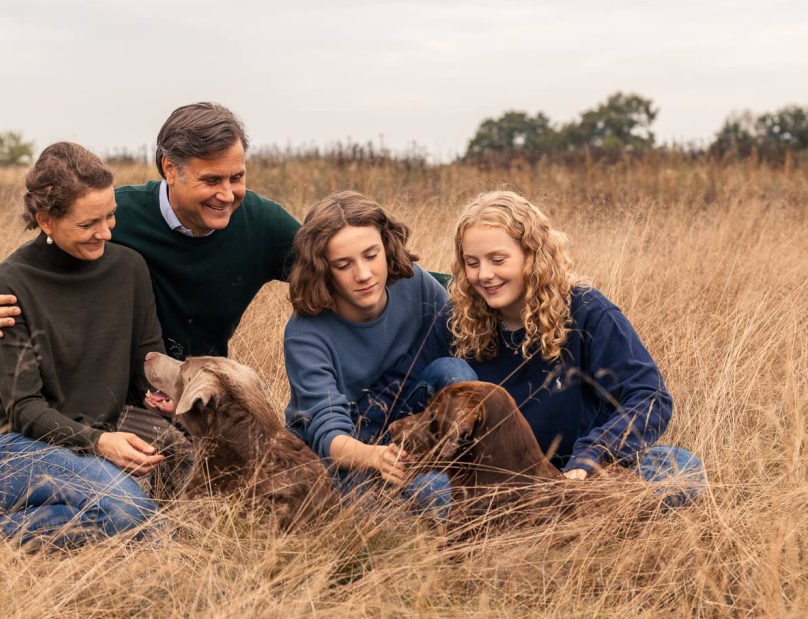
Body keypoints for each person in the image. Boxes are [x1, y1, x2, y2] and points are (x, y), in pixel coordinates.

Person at [0, 102, 300, 361]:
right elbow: (33, 267)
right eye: (211, 180)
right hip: (117, 395)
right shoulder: (113, 218)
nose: (226, 195)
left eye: (236, 178)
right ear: (170, 169)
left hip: (203, 395)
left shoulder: (262, 222)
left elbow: (325, 269)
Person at [446, 190, 704, 502]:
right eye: (472, 263)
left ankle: (567, 512)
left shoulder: (588, 311)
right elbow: (417, 384)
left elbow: (650, 398)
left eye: (497, 260)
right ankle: (531, 517)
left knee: (680, 468)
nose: (484, 275)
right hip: (494, 485)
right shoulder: (458, 320)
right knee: (433, 490)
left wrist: (593, 454)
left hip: (577, 478)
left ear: (532, 255)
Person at [0, 142, 166, 546]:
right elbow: (24, 409)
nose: (106, 232)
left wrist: (166, 399)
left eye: (110, 216)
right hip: (13, 451)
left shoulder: (129, 269)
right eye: (88, 223)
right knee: (130, 512)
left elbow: (148, 365)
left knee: (150, 518)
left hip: (90, 453)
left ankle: (21, 521)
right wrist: (99, 442)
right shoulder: (6, 287)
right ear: (46, 220)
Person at [283, 191, 477, 514]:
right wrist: (375, 457)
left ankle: (475, 467)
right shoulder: (305, 335)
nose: (363, 274)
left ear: (386, 247)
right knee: (438, 494)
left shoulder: (415, 284)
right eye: (343, 265)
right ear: (322, 269)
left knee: (453, 371)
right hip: (344, 455)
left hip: (403, 423)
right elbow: (329, 435)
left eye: (371, 255)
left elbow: (465, 335)